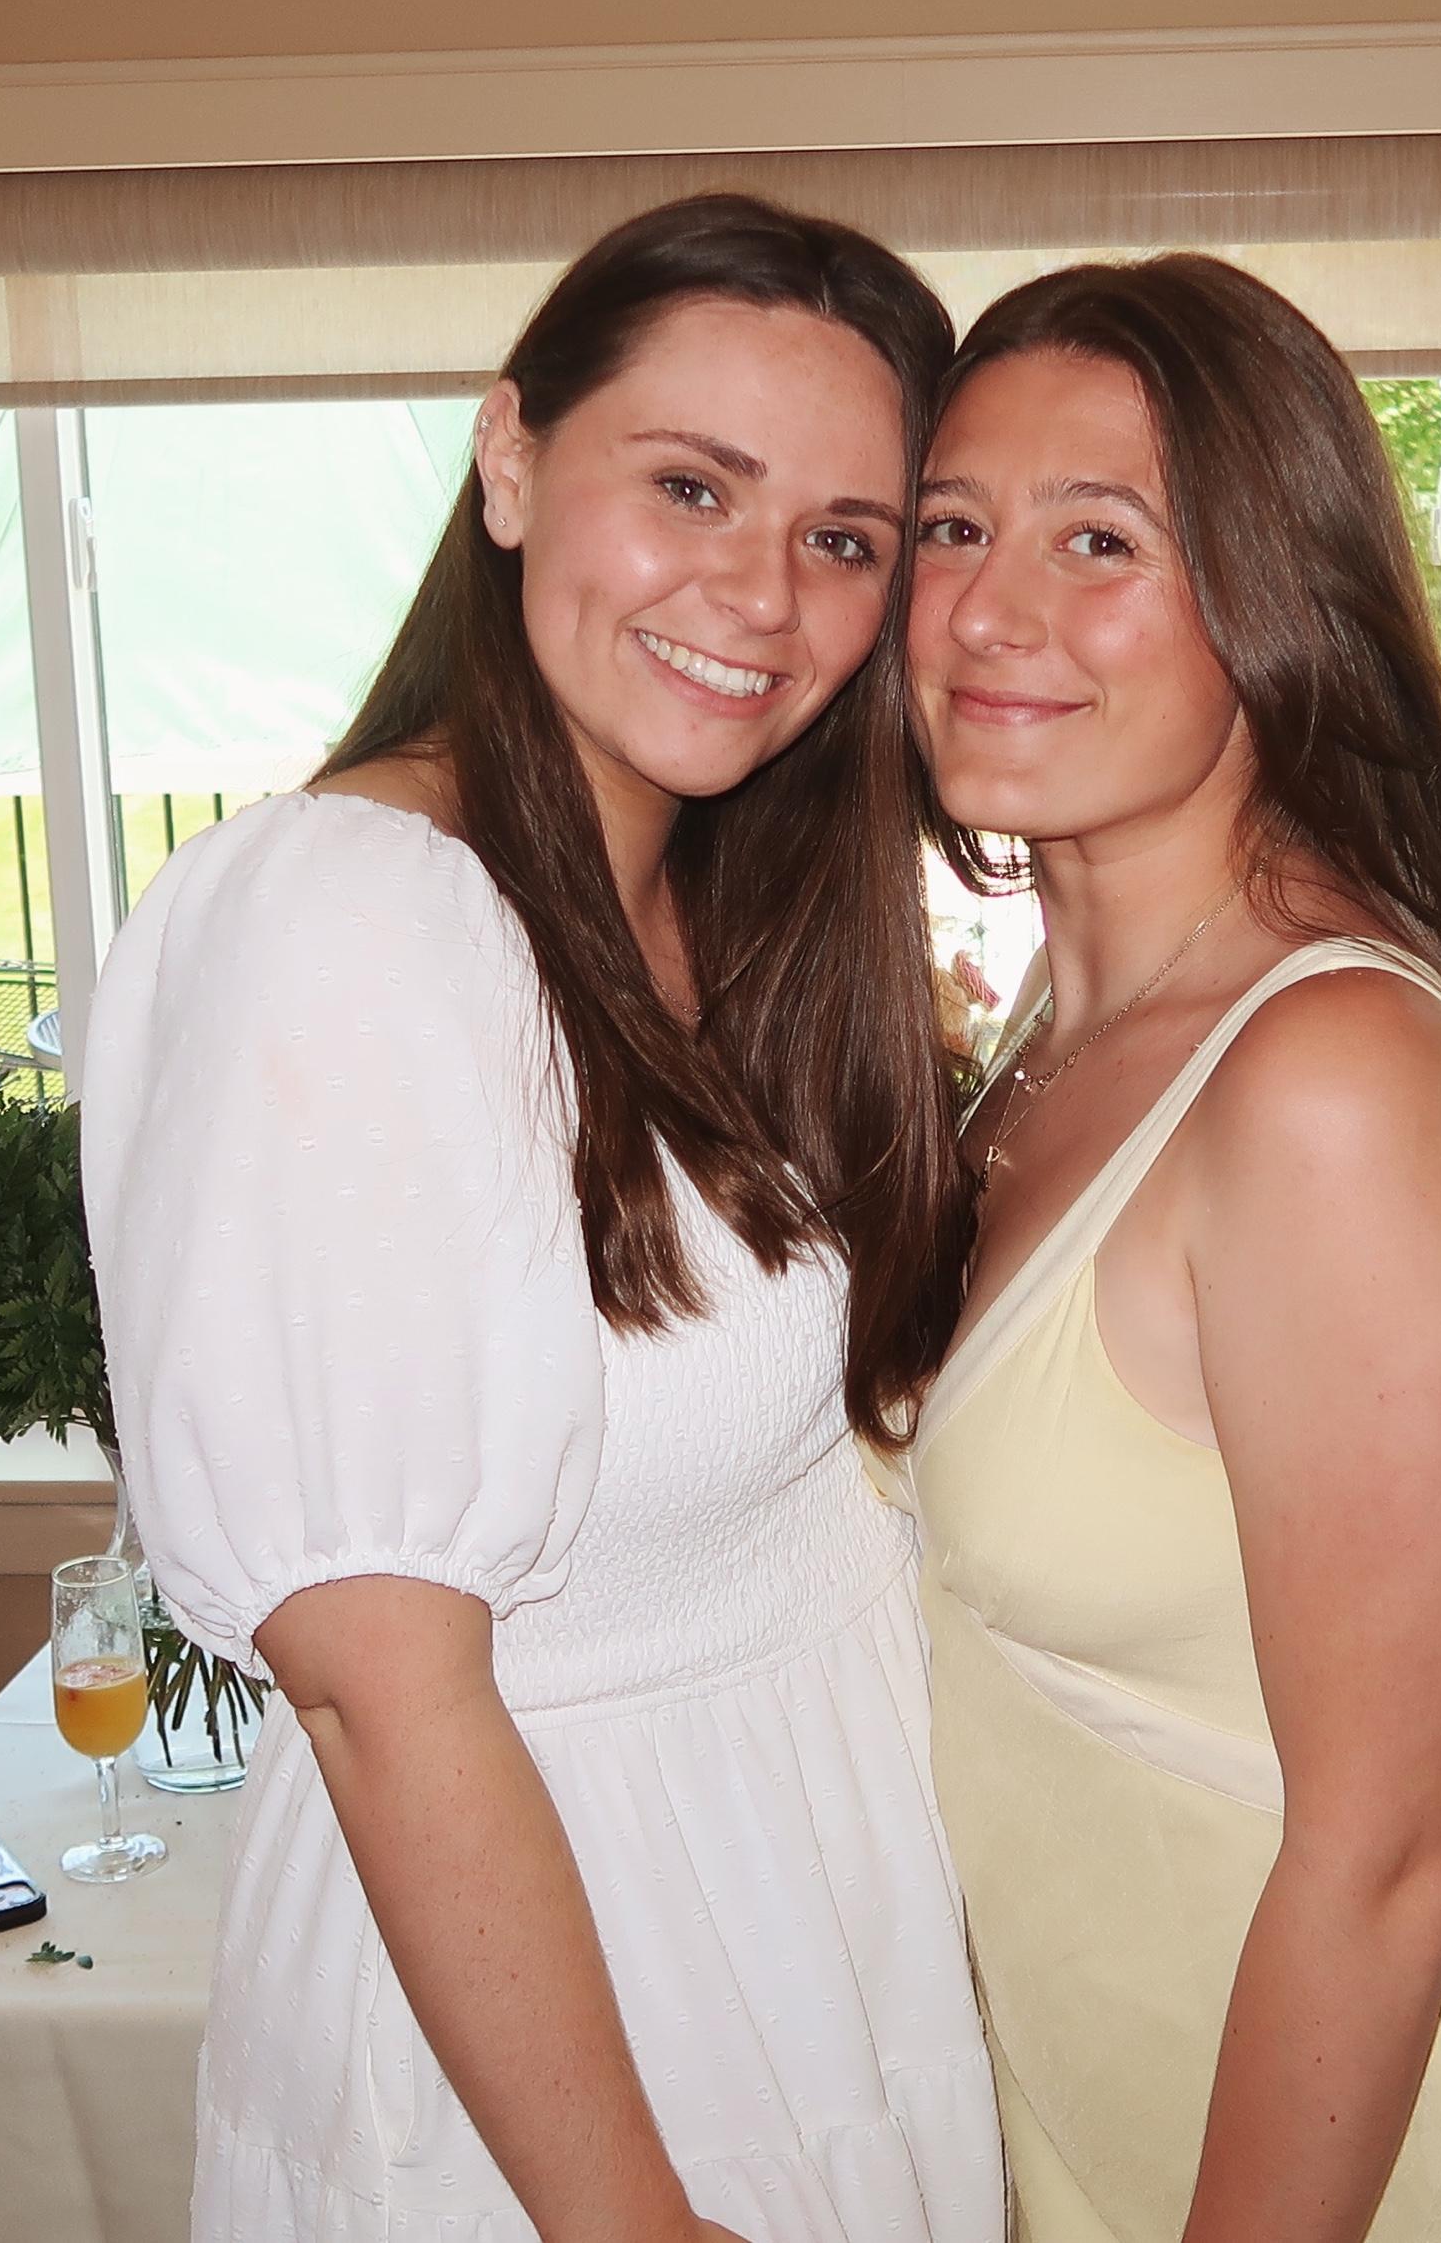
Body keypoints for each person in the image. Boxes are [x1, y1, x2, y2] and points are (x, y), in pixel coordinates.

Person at [80, 194, 1003, 2243]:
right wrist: (626, 2216)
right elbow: (374, 1675)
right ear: (508, 460)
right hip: (576, 2045)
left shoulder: (720, 915)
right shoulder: (355, 919)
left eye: (845, 539)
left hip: (798, 1941)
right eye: (689, 486)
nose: (759, 594)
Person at [897, 255, 1441, 2243]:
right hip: (1109, 2110)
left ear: (1275, 594)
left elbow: (1391, 1859)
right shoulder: (1048, 1036)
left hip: (1369, 2165)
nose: (987, 611)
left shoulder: (1326, 1077)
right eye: (951, 527)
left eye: (1100, 540)